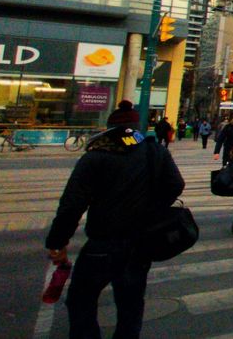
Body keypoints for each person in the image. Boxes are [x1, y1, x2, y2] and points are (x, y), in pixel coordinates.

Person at [44, 100, 184, 338]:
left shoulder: (96, 156)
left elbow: (71, 205)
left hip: (103, 242)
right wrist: (152, 206)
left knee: (81, 299)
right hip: (140, 242)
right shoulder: (153, 150)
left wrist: (57, 242)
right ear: (135, 126)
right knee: (131, 304)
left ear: (109, 128)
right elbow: (176, 185)